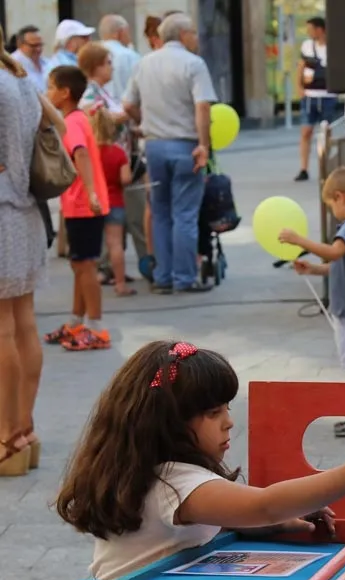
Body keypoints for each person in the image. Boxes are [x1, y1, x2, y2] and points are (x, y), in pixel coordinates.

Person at [54, 340, 345, 580]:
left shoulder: (155, 475)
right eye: (213, 413)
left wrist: (270, 524)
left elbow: (242, 518)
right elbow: (264, 505)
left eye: (226, 408)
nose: (229, 422)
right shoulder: (173, 482)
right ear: (166, 422)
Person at [0, 26, 66, 477]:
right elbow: (58, 123)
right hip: (26, 211)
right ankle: (25, 430)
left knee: (3, 329)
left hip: (3, 208)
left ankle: (7, 435)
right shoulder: (19, 76)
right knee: (23, 322)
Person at [280, 168, 345, 438]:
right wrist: (314, 269)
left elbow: (335, 252)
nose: (333, 212)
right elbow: (342, 265)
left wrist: (299, 240)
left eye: (331, 205)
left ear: (340, 197)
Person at [124, 13, 216, 294]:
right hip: (185, 145)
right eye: (194, 33)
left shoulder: (144, 63)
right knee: (185, 214)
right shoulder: (194, 63)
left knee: (161, 212)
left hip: (154, 146)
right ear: (183, 34)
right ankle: (184, 277)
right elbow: (202, 106)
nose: (196, 38)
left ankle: (163, 276)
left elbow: (128, 104)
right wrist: (204, 144)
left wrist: (144, 123)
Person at [43, 66, 112, 352]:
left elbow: (80, 153)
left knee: (85, 266)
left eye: (51, 87)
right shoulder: (75, 118)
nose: (47, 92)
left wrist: (91, 193)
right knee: (78, 265)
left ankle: (96, 328)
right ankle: (77, 321)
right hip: (78, 204)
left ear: (64, 92)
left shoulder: (71, 122)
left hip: (85, 204)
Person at [93, 102, 136, 296]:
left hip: (94, 204)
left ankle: (91, 281)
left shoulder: (89, 152)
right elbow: (126, 179)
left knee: (92, 246)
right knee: (115, 244)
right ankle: (120, 284)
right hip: (115, 203)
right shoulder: (118, 152)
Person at [295, 17, 339, 182]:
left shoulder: (333, 47)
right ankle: (304, 168)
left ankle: (325, 167)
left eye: (311, 29)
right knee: (306, 131)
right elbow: (301, 66)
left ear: (320, 29)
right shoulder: (307, 46)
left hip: (327, 96)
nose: (308, 32)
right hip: (310, 95)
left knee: (326, 133)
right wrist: (299, 87)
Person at [10, 25, 51, 93]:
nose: (38, 49)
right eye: (33, 45)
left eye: (40, 45)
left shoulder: (47, 62)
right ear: (20, 44)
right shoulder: (12, 64)